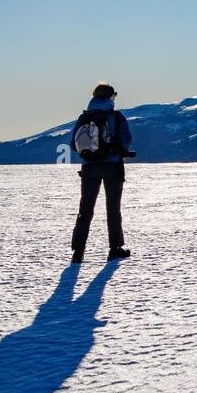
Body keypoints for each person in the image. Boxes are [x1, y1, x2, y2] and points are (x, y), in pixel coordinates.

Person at [68, 82, 135, 263]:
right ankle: (115, 248)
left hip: (89, 168)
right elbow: (127, 141)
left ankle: (78, 252)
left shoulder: (84, 117)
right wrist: (118, 150)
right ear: (110, 97)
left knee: (85, 209)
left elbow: (73, 145)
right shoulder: (116, 117)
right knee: (113, 208)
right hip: (112, 167)